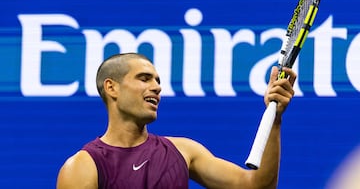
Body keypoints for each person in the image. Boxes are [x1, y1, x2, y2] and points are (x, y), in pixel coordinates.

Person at [56, 52, 296, 189]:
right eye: (144, 78)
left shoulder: (182, 151)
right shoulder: (82, 167)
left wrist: (274, 119)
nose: (157, 87)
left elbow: (256, 187)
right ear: (112, 87)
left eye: (158, 81)